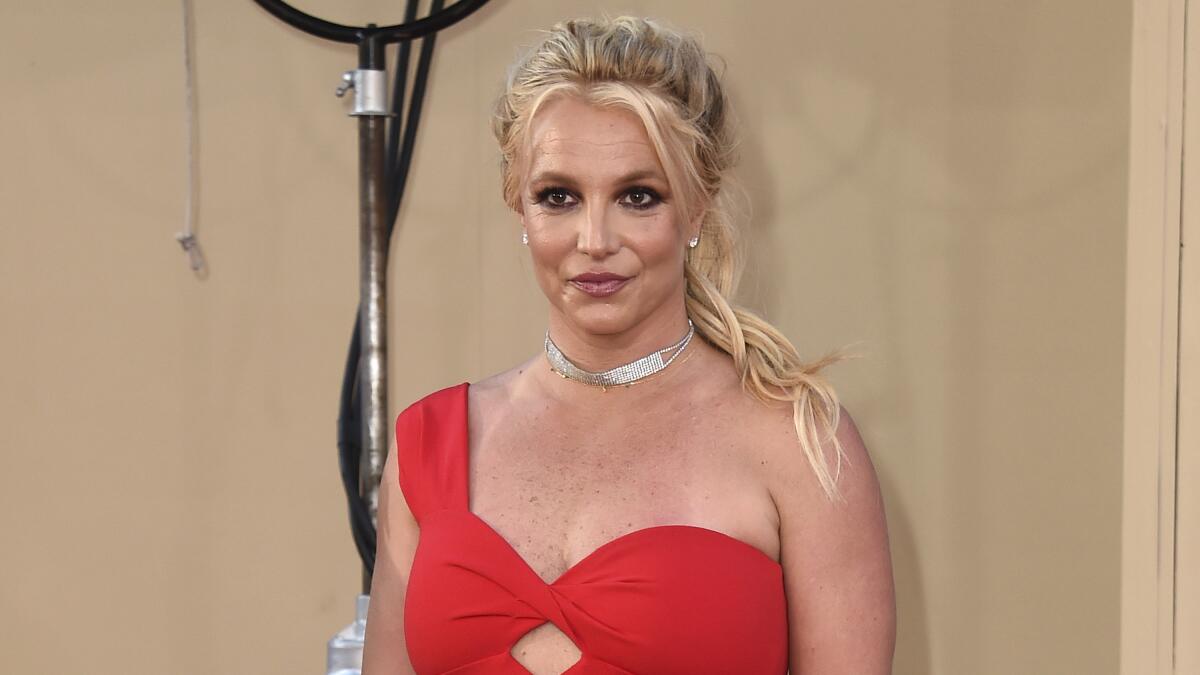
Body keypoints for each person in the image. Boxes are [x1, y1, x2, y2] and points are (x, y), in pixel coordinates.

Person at [362, 15, 895, 675]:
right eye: (558, 196)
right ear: (519, 207)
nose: (594, 240)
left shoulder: (800, 444)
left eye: (638, 196)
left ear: (696, 209)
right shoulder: (429, 445)